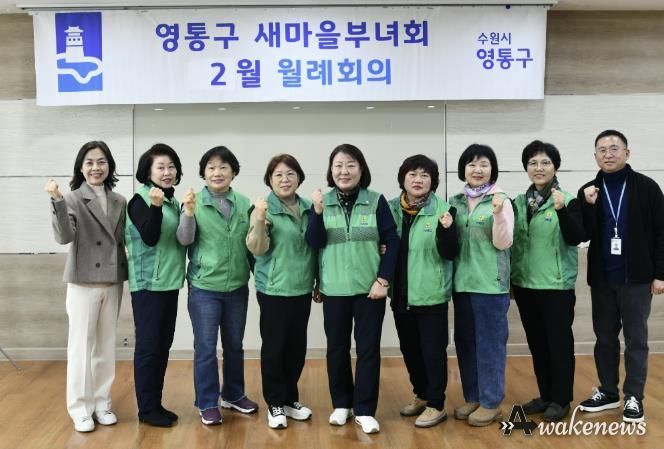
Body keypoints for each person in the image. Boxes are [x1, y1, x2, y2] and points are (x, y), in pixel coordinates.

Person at [305, 143, 399, 434]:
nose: (344, 171)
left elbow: (392, 241)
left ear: (361, 169)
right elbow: (314, 242)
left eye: (350, 165)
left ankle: (365, 409)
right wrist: (317, 212)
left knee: (368, 350)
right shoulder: (322, 202)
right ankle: (342, 404)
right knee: (337, 349)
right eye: (338, 165)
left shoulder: (376, 201)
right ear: (331, 170)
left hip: (370, 290)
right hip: (334, 289)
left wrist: (383, 280)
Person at [577, 130, 664, 423]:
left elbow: (662, 232)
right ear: (595, 156)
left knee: (636, 340)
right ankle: (608, 392)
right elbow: (583, 234)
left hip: (637, 279)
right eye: (602, 150)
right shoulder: (589, 190)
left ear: (627, 153)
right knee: (604, 339)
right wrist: (587, 205)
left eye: (614, 148)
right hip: (603, 279)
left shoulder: (647, 187)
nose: (608, 154)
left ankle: (634, 397)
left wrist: (661, 274)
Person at [46, 141, 127, 433]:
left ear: (110, 166)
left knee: (105, 347)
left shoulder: (119, 200)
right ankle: (80, 409)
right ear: (81, 168)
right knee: (81, 348)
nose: (96, 167)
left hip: (112, 280)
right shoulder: (71, 198)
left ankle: (102, 403)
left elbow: (122, 240)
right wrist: (57, 201)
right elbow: (64, 237)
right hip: (83, 281)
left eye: (102, 161)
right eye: (90, 162)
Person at [176, 146, 258, 426]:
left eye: (223, 167)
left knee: (235, 345)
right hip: (204, 288)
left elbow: (251, 246)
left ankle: (233, 394)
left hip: (237, 287)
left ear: (233, 172)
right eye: (211, 167)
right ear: (203, 173)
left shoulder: (244, 203)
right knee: (206, 347)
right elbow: (184, 239)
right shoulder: (193, 202)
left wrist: (260, 278)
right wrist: (188, 213)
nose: (217, 172)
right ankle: (208, 402)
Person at [511, 140, 584, 422]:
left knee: (558, 344)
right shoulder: (519, 203)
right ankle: (546, 395)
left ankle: (561, 399)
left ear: (555, 167)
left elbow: (576, 237)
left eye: (545, 162)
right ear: (526, 168)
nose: (538, 168)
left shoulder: (568, 199)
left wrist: (562, 209)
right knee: (538, 344)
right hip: (525, 285)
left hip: (555, 285)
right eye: (533, 163)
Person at [246, 154, 317, 429]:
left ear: (299, 178)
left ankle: (289, 399)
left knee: (296, 348)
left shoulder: (310, 207)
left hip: (302, 287)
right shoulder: (262, 208)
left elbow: (317, 246)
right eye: (278, 175)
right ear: (269, 180)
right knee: (274, 348)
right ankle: (275, 402)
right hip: (274, 288)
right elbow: (256, 248)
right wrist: (260, 218)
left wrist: (319, 282)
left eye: (290, 174)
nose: (285, 179)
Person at [388, 155, 458, 428]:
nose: (418, 180)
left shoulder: (444, 210)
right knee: (410, 350)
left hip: (431, 293)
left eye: (425, 175)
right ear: (403, 178)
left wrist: (447, 230)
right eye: (413, 174)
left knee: (432, 352)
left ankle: (436, 404)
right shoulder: (391, 209)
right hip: (400, 293)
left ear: (433, 181)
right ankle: (421, 394)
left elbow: (450, 252)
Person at [449, 144, 514, 427]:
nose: (477, 169)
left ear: (492, 169)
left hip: (490, 286)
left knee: (490, 345)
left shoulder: (501, 200)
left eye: (484, 164)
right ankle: (473, 396)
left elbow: (503, 243)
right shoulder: (455, 202)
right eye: (472, 164)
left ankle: (491, 402)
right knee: (465, 343)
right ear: (463, 169)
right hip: (462, 284)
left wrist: (498, 214)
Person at [126, 143, 186, 427]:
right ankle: (146, 409)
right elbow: (150, 237)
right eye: (160, 167)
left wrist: (163, 205)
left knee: (162, 346)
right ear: (147, 171)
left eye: (171, 166)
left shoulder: (171, 201)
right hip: (148, 285)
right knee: (149, 348)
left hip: (169, 283)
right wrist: (156, 206)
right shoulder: (140, 200)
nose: (167, 172)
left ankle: (155, 403)